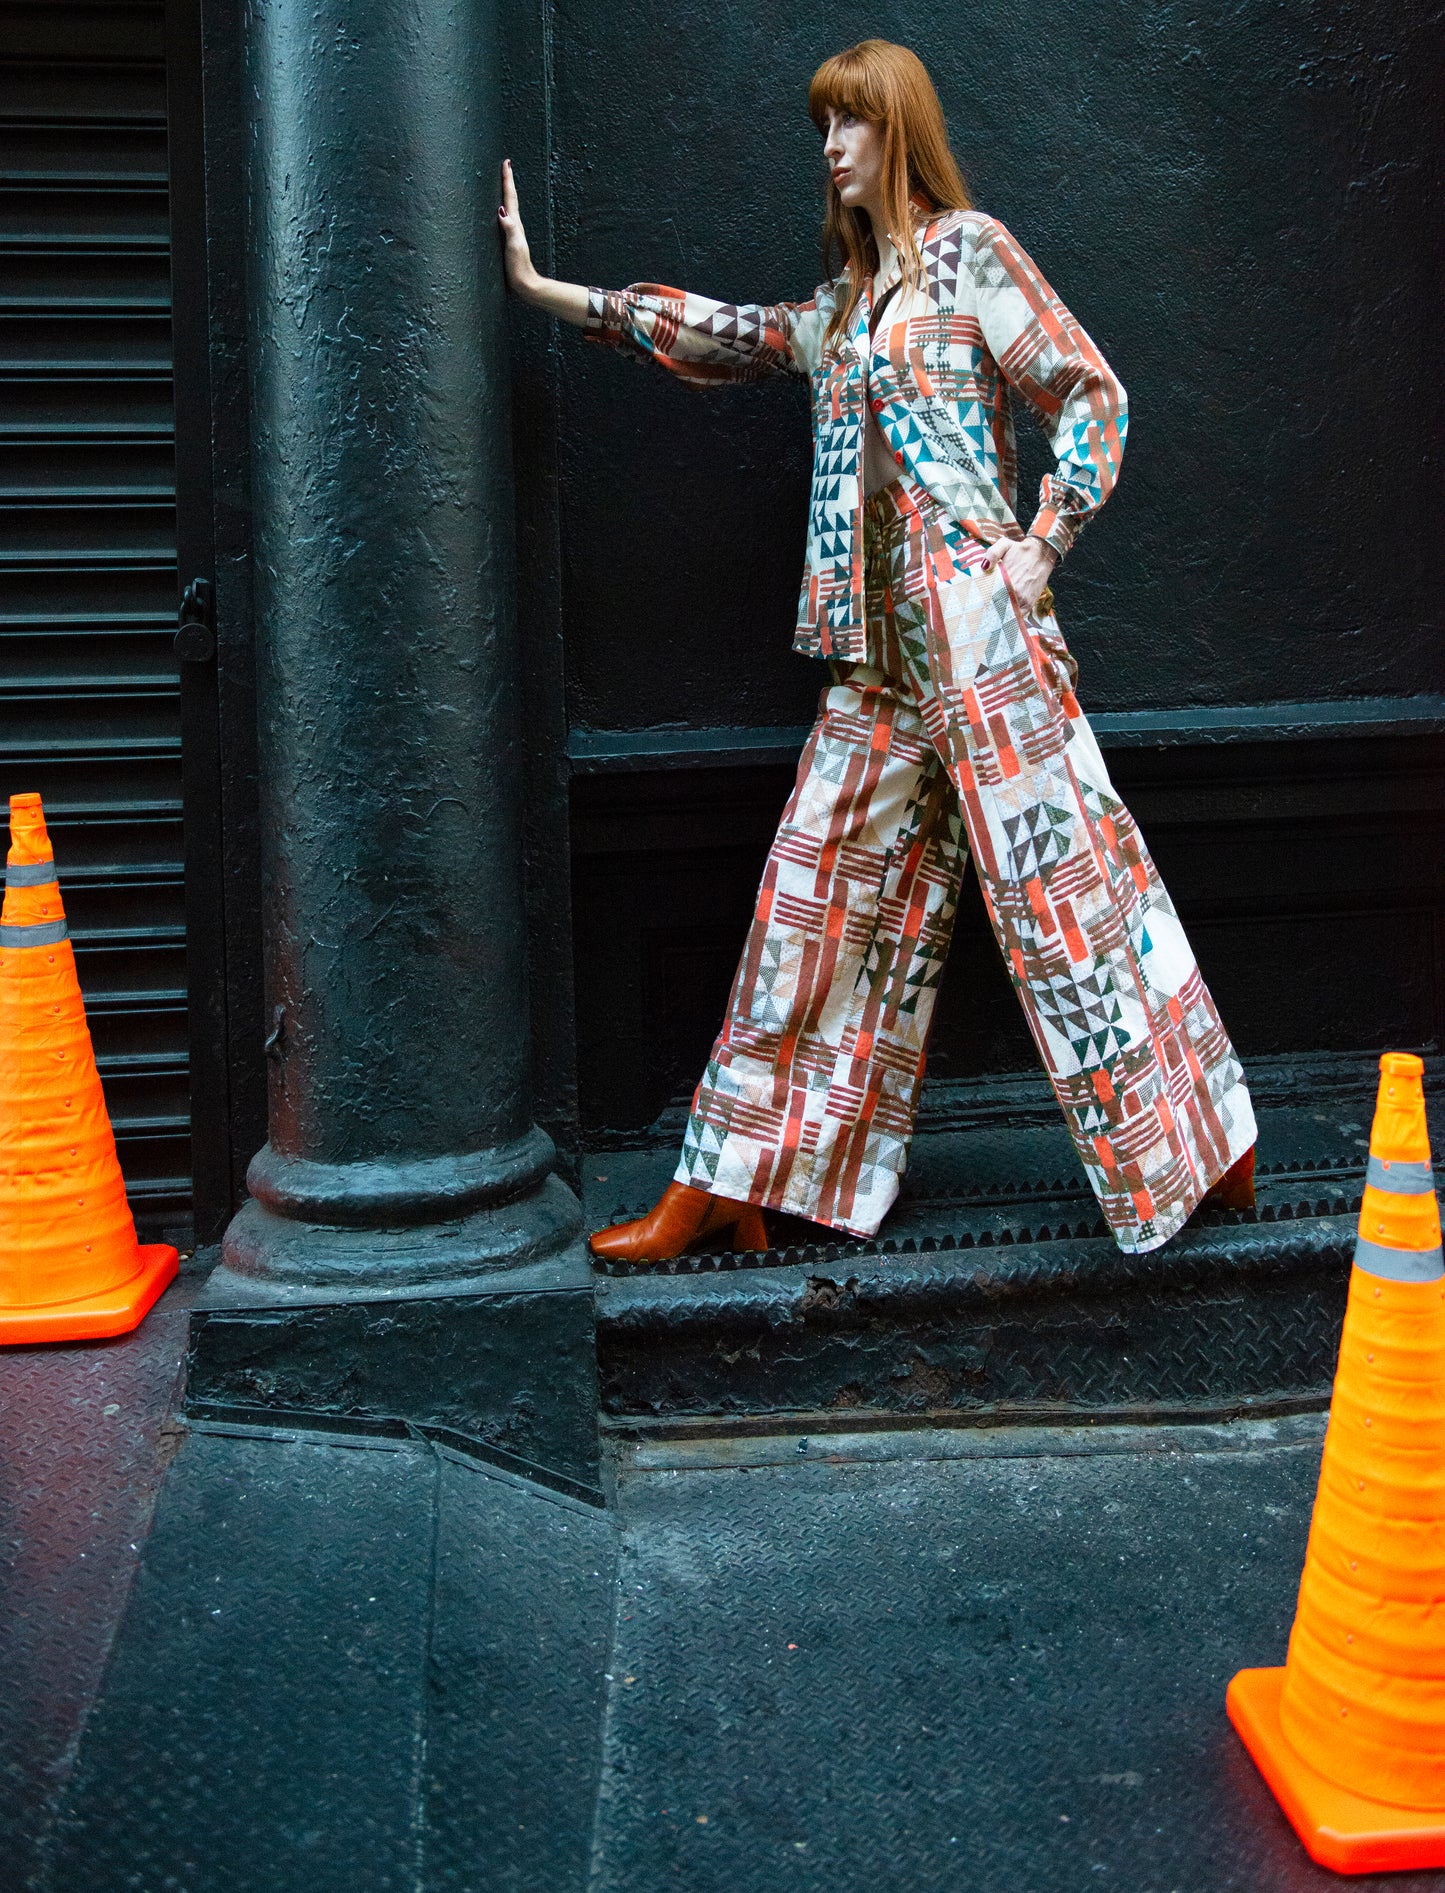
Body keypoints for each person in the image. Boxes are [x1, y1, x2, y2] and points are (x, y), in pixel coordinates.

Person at [500, 38, 1257, 1264]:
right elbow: (733, 336)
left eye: (849, 124)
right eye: (822, 128)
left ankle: (1208, 1142)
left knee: (1077, 907)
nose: (831, 147)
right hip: (878, 657)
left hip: (982, 635)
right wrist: (558, 297)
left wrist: (1043, 542)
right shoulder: (847, 306)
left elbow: (1090, 393)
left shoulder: (970, 254)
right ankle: (724, 1178)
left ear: (896, 128)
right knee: (808, 895)